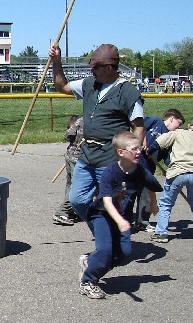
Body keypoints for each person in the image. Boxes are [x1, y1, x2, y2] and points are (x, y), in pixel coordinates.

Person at [49, 43, 145, 221]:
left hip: (111, 158)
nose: (92, 71)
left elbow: (138, 127)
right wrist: (57, 61)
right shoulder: (89, 84)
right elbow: (62, 86)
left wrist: (131, 158)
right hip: (86, 155)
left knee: (112, 204)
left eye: (95, 67)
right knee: (76, 200)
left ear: (109, 68)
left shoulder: (128, 92)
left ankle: (112, 241)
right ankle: (101, 231)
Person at [78, 131, 162, 299]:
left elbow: (151, 184)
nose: (139, 152)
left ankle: (90, 261)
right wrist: (120, 221)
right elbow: (107, 200)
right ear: (121, 152)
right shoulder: (111, 172)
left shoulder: (141, 171)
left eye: (139, 148)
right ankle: (87, 281)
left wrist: (154, 203)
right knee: (105, 251)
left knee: (123, 254)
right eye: (134, 149)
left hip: (122, 217)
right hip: (102, 214)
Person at [150, 117, 193, 245]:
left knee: (166, 203)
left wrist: (149, 151)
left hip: (177, 173)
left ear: (189, 126)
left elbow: (160, 142)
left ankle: (161, 233)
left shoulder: (178, 133)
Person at [133, 108, 185, 231]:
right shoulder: (155, 121)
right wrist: (143, 139)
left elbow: (167, 157)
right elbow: (139, 126)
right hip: (136, 160)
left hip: (149, 167)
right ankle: (122, 220)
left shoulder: (171, 137)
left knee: (145, 194)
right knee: (129, 191)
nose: (179, 127)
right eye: (179, 123)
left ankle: (142, 222)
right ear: (172, 118)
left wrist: (174, 167)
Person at [52, 115, 84, 226]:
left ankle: (70, 211)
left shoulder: (81, 120)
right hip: (78, 159)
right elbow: (67, 134)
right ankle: (63, 211)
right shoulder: (87, 121)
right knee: (76, 187)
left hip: (70, 156)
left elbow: (67, 135)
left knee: (70, 184)